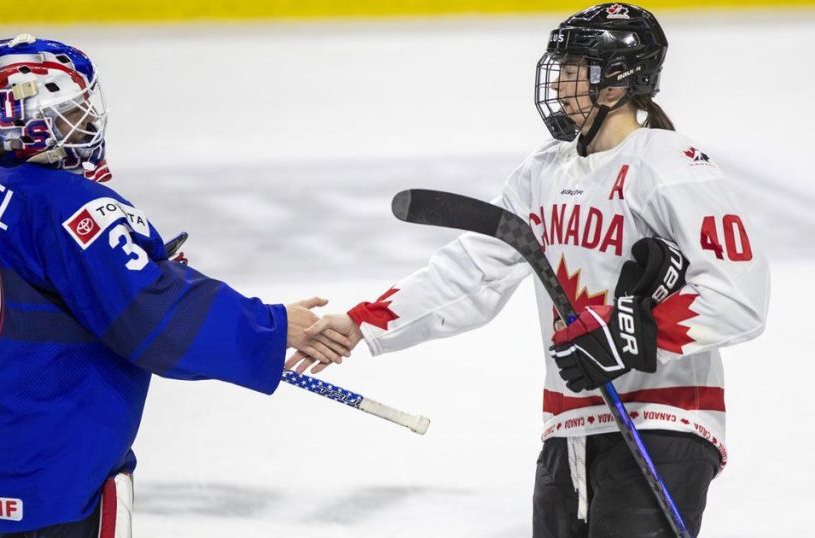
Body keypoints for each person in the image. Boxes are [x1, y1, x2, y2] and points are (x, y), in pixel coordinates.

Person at [290, 4, 770, 536]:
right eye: (560, 66)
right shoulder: (544, 170)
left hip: (664, 418)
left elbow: (737, 295)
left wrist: (631, 337)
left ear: (618, 82)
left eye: (574, 69)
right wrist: (362, 323)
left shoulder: (671, 165)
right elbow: (473, 271)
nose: (561, 83)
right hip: (570, 425)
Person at [0, 34, 344, 537]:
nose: (87, 123)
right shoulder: (71, 210)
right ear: (43, 123)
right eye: (72, 113)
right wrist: (274, 326)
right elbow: (159, 322)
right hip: (51, 454)